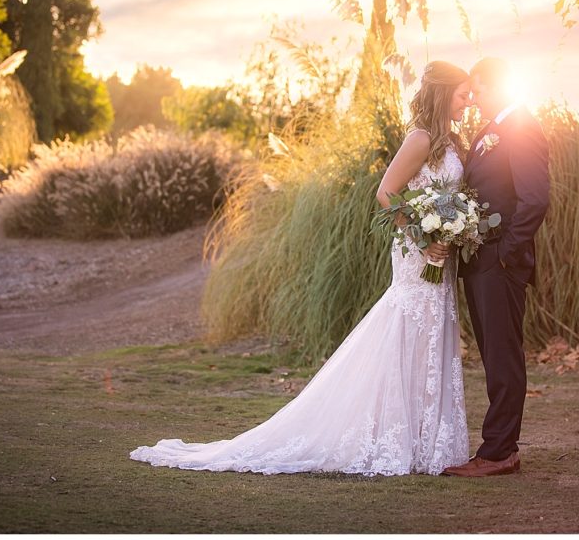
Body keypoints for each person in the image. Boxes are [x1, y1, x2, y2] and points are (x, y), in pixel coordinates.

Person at [128, 61, 473, 476]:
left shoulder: (454, 142)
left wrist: (454, 227)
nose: (467, 101)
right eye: (462, 93)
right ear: (442, 92)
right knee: (406, 329)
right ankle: (390, 434)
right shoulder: (420, 138)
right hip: (418, 253)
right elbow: (386, 192)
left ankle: (426, 441)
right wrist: (422, 236)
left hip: (442, 255)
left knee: (432, 333)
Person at [441, 57, 550, 477]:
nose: (472, 99)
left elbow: (535, 198)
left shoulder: (522, 128)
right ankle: (498, 447)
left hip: (501, 263)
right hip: (481, 262)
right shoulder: (490, 131)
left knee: (503, 356)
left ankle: (499, 452)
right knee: (493, 354)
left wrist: (506, 251)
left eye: (477, 90)